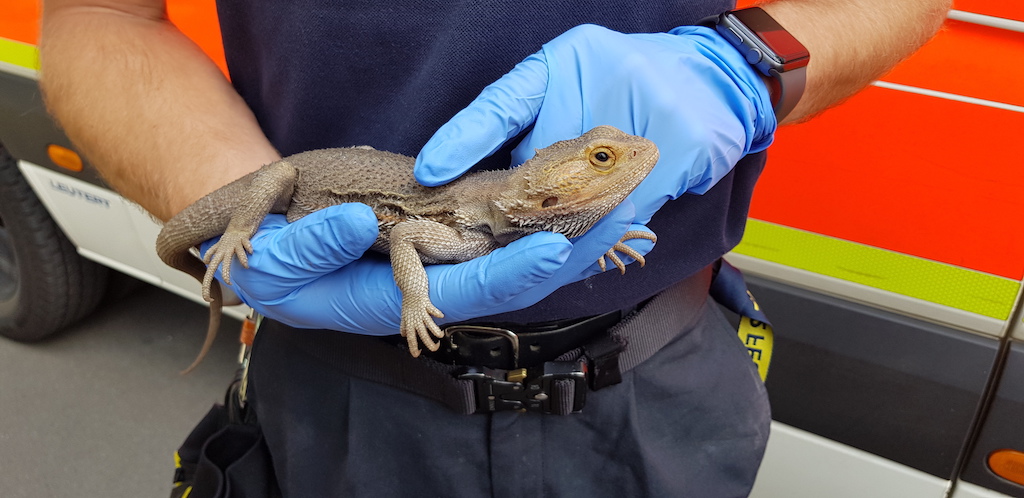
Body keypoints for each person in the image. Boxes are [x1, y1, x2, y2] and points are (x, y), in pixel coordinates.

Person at [39, 0, 950, 496]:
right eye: (602, 162)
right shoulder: (474, 218)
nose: (627, 164)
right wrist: (248, 229)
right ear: (551, 188)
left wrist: (747, 63)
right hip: (343, 386)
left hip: (668, 376)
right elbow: (102, 14)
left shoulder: (540, 206)